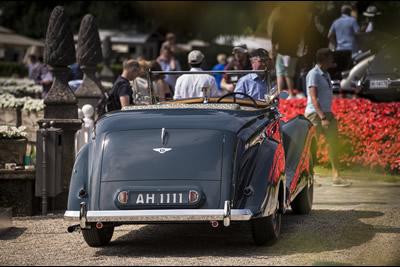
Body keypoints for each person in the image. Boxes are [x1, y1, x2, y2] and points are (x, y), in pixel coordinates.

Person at [304, 48, 351, 187]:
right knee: (312, 146)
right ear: (325, 59)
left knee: (334, 144)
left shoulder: (326, 74)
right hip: (316, 114)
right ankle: (310, 176)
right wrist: (323, 118)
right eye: (331, 58)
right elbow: (313, 98)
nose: (333, 60)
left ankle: (336, 176)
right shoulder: (313, 74)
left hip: (327, 113)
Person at [271, 4, 304, 99]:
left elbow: (274, 40)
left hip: (282, 53)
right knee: (289, 74)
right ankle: (292, 94)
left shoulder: (278, 23)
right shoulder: (293, 24)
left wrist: (273, 53)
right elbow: (299, 40)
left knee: (280, 74)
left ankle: (280, 93)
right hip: (293, 53)